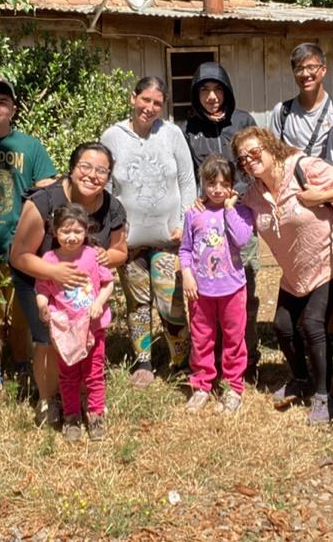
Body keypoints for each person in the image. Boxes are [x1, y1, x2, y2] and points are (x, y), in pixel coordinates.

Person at [232, 126, 333, 424]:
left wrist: (321, 195)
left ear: (270, 147)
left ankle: (325, 396)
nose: (249, 161)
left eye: (254, 152)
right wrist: (213, 206)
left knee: (312, 324)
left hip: (329, 258)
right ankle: (301, 379)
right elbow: (236, 224)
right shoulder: (252, 195)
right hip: (295, 271)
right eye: (243, 158)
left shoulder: (303, 167)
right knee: (283, 326)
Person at [9, 142, 129, 428]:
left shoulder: (112, 207)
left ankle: (85, 397)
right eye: (85, 166)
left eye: (102, 171)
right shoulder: (44, 202)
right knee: (48, 340)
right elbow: (19, 256)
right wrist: (54, 272)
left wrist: (105, 256)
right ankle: (48, 400)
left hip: (83, 292)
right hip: (37, 279)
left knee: (87, 339)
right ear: (72, 169)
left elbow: (120, 251)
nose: (92, 175)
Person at [101, 76, 197, 385]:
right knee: (138, 302)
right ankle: (143, 362)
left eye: (157, 103)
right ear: (133, 98)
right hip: (129, 240)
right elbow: (105, 186)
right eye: (145, 100)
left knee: (170, 302)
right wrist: (111, 230)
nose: (150, 107)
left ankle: (181, 361)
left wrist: (184, 222)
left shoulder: (171, 134)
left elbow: (187, 181)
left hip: (168, 238)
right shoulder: (112, 137)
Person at [0, 78, 58, 394]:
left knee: (23, 313)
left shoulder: (29, 146)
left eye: (2, 102)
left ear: (13, 109)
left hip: (22, 246)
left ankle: (22, 366)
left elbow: (48, 184)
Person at [182, 62, 262, 378]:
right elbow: (188, 172)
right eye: (205, 90)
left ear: (227, 90)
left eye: (217, 89)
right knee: (208, 292)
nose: (212, 97)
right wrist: (195, 200)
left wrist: (235, 195)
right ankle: (211, 359)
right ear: (196, 94)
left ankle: (246, 356)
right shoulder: (190, 129)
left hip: (239, 216)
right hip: (206, 222)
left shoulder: (243, 121)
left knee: (244, 291)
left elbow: (254, 165)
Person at [179, 155, 255, 414]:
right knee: (201, 338)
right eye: (212, 183)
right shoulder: (193, 213)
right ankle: (201, 385)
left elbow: (241, 239)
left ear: (233, 185)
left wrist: (230, 209)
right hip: (200, 291)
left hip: (232, 288)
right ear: (203, 183)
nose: (218, 189)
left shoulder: (241, 212)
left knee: (234, 338)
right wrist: (187, 274)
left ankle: (234, 386)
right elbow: (185, 249)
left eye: (224, 184)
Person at [35, 204, 115, 442]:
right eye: (65, 231)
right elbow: (42, 289)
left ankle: (96, 415)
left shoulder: (92, 255)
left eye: (78, 231)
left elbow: (108, 283)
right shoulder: (49, 260)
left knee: (94, 373)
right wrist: (42, 307)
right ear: (55, 231)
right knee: (68, 374)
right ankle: (71, 417)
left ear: (86, 231)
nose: (71, 237)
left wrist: (99, 302)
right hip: (66, 331)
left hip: (93, 327)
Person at [269, 42, 333, 164]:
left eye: (311, 67)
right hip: (293, 175)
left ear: (323, 70)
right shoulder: (282, 112)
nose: (305, 74)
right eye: (299, 69)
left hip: (331, 175)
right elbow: (273, 155)